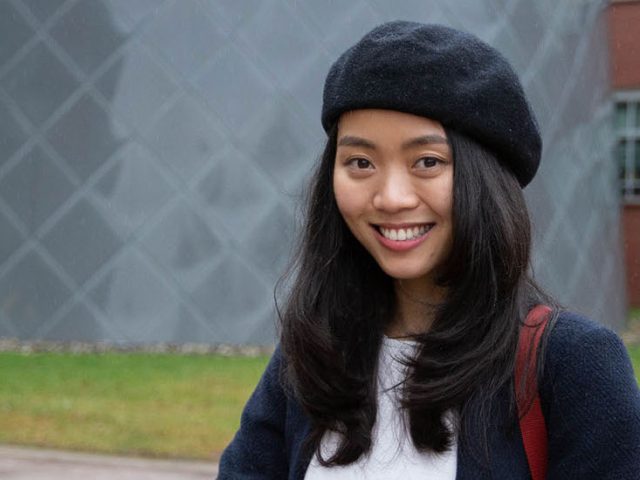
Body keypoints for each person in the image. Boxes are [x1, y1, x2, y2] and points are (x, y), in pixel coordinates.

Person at [217, 21, 640, 479]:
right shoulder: (312, 358)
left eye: (427, 162)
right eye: (360, 162)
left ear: (486, 180)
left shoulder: (571, 366)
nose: (391, 197)